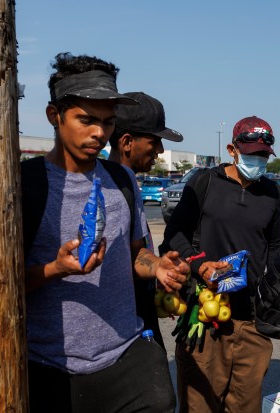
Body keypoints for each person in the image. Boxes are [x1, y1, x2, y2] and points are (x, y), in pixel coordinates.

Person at [22, 52, 189, 413]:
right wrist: (56, 269)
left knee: (161, 400)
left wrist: (157, 266)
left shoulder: (122, 180)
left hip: (125, 354)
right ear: (55, 116)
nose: (99, 133)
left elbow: (134, 254)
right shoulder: (24, 185)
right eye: (86, 119)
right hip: (49, 366)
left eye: (108, 122)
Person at [160, 115, 280, 413]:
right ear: (232, 150)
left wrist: (278, 287)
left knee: (246, 406)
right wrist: (200, 266)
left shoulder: (273, 194)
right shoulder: (205, 183)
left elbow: (274, 246)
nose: (258, 160)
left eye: (263, 155)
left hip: (252, 321)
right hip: (206, 316)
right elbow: (173, 238)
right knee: (200, 406)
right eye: (252, 154)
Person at [108, 91, 184, 348]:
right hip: (124, 330)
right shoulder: (109, 188)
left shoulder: (128, 184)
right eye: (155, 141)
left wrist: (159, 270)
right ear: (127, 141)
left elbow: (133, 254)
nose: (160, 151)